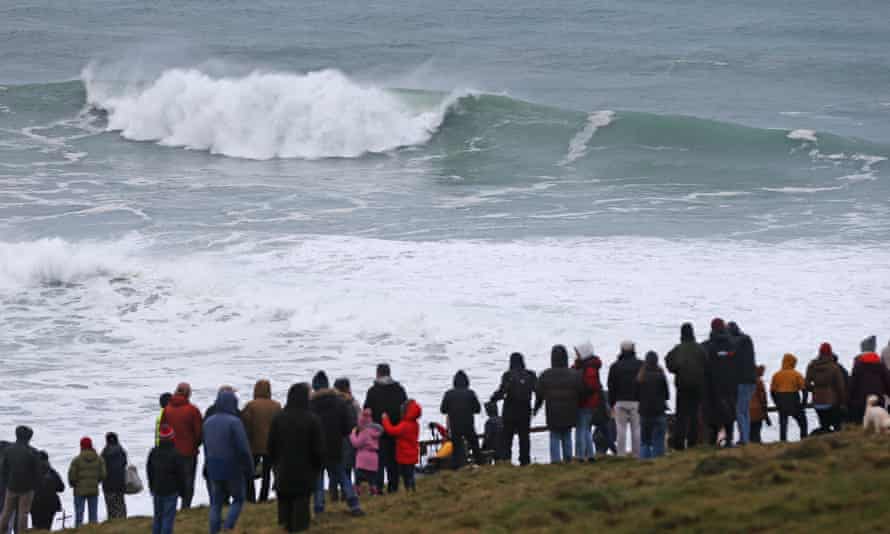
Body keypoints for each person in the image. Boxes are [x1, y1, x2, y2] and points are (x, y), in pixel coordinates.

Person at [268, 384, 324, 534]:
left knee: (284, 518)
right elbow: (318, 451)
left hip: (283, 473)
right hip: (304, 474)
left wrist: (277, 465)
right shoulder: (312, 420)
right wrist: (316, 468)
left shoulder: (278, 418)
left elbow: (270, 447)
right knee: (301, 518)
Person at [310, 372, 363, 517]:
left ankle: (319, 508)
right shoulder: (338, 401)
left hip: (316, 448)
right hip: (335, 445)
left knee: (318, 479)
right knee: (342, 475)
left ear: (314, 386)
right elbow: (349, 425)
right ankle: (354, 504)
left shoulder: (310, 404)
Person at [203, 389, 254, 534]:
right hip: (232, 466)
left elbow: (206, 446)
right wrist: (249, 468)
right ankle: (228, 527)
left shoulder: (208, 422)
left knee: (216, 503)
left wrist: (207, 465)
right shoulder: (235, 422)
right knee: (238, 499)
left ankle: (214, 530)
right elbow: (243, 449)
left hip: (213, 465)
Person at [535, 345, 588, 463]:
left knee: (554, 435)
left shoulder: (545, 375)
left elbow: (539, 393)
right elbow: (582, 391)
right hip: (570, 409)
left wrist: (535, 409)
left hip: (553, 410)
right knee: (567, 434)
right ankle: (568, 459)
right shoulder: (574, 374)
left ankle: (555, 461)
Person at [364, 364, 407, 493]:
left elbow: (367, 411)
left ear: (378, 374)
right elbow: (405, 410)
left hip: (378, 432)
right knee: (393, 461)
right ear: (389, 373)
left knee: (379, 462)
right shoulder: (399, 389)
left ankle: (378, 488)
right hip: (395, 430)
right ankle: (393, 487)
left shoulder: (372, 391)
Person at [490, 352, 537, 465]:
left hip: (509, 411)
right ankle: (525, 462)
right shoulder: (530, 375)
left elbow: (502, 392)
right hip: (525, 411)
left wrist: (493, 399)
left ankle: (506, 461)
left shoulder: (507, 375)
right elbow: (538, 392)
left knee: (507, 438)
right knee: (524, 438)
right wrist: (535, 408)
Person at [160, 383, 202, 509]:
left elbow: (162, 431)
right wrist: (195, 445)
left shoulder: (167, 410)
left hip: (171, 453)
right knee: (188, 481)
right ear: (188, 393)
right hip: (188, 452)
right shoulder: (192, 410)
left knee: (173, 482)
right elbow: (199, 433)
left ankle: (171, 507)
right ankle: (185, 507)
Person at [665, 322, 707, 450]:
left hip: (682, 386)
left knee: (681, 415)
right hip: (698, 386)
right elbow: (706, 363)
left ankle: (679, 444)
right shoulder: (699, 348)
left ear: (682, 334)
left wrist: (676, 370)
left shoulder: (678, 349)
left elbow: (669, 361)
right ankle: (693, 443)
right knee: (694, 415)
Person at [241, 379, 282, 503]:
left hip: (253, 445)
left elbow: (246, 425)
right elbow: (279, 425)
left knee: (249, 472)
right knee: (267, 473)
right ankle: (263, 497)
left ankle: (251, 497)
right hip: (271, 445)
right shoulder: (276, 405)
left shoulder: (250, 405)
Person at [702, 319, 738, 447]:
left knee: (712, 416)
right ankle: (729, 441)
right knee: (729, 414)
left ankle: (712, 442)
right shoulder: (733, 345)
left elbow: (703, 367)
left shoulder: (705, 346)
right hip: (730, 385)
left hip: (711, 386)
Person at [0, 426, 41, 534]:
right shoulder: (33, 452)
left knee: (6, 512)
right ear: (29, 437)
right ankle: (22, 533)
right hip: (27, 488)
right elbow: (37, 473)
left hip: (11, 486)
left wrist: (7, 483)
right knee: (23, 514)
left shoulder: (8, 450)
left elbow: (4, 470)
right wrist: (34, 486)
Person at [147, 424, 186, 534]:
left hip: (157, 489)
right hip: (171, 490)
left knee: (157, 518)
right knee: (167, 519)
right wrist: (182, 491)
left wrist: (151, 486)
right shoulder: (176, 454)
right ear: (172, 437)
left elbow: (149, 471)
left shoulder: (153, 452)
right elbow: (181, 475)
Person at [607, 341, 643, 457]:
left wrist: (611, 403)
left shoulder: (615, 366)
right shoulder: (641, 364)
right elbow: (644, 384)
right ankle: (637, 454)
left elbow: (611, 386)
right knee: (636, 429)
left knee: (621, 430)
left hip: (620, 401)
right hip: (637, 401)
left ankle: (621, 454)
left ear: (621, 350)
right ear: (633, 349)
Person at [440, 370, 482, 469]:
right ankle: (480, 463)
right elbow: (478, 409)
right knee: (474, 445)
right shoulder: (470, 393)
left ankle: (457, 467)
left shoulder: (448, 394)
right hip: (468, 424)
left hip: (455, 425)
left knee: (456, 448)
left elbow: (443, 410)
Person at [806, 343, 847, 433]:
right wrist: (843, 402)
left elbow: (806, 384)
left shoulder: (812, 365)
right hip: (831, 401)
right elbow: (840, 387)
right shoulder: (834, 367)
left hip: (817, 402)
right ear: (830, 352)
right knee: (837, 426)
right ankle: (836, 444)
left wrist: (815, 390)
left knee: (824, 426)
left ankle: (824, 443)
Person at [382, 400, 422, 492]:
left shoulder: (404, 425)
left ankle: (409, 490)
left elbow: (391, 430)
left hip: (404, 454)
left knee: (405, 475)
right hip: (413, 453)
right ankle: (412, 489)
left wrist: (385, 419)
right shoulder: (415, 424)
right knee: (410, 474)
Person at [728, 321, 757, 445]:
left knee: (740, 411)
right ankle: (745, 437)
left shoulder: (736, 343)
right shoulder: (747, 340)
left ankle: (744, 439)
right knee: (744, 410)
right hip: (751, 380)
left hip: (742, 381)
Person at [636, 351, 669, 459]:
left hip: (644, 412)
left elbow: (637, 395)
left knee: (645, 440)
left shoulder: (641, 377)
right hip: (659, 412)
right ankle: (657, 462)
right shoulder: (661, 376)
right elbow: (667, 395)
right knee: (658, 439)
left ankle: (644, 461)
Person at [573, 342, 603, 462]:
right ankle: (589, 454)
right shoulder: (589, 366)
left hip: (585, 403)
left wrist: (580, 396)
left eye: (578, 353)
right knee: (585, 429)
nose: (576, 355)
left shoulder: (588, 368)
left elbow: (590, 387)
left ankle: (582, 455)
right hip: (589, 402)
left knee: (582, 429)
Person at [68, 437, 106, 527]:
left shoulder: (76, 460)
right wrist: (96, 482)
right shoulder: (99, 459)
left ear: (81, 446)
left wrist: (74, 485)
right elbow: (103, 475)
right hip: (93, 489)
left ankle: (79, 530)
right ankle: (93, 530)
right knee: (93, 515)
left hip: (79, 490)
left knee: (79, 515)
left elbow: (71, 476)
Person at [333, 378, 360, 501]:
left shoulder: (334, 403)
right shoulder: (353, 402)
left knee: (338, 469)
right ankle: (350, 493)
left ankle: (339, 494)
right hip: (352, 437)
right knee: (350, 467)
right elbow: (360, 422)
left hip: (338, 438)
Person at [770, 353, 808, 441]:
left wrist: (776, 403)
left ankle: (783, 441)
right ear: (793, 363)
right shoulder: (796, 374)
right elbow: (804, 390)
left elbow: (772, 391)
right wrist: (803, 403)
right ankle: (804, 440)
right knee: (802, 423)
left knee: (783, 424)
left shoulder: (776, 375)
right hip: (794, 399)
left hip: (781, 400)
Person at [848, 347, 890, 424]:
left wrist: (849, 400)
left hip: (860, 402)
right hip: (878, 400)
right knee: (879, 422)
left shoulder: (858, 367)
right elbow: (888, 383)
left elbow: (852, 385)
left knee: (863, 423)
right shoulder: (881, 366)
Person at [350, 409, 383, 496]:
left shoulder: (364, 432)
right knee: (372, 478)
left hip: (363, 459)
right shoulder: (375, 431)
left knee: (358, 478)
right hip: (374, 458)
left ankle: (357, 492)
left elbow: (356, 443)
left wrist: (352, 434)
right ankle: (374, 491)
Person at [30, 451, 65, 531]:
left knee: (36, 528)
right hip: (51, 505)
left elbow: (25, 487)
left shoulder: (31, 472)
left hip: (35, 504)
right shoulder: (52, 472)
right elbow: (61, 488)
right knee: (47, 528)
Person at [100, 432, 128, 519]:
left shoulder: (104, 452)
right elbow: (124, 464)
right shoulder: (121, 451)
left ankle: (113, 522)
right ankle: (123, 521)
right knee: (121, 504)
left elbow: (102, 468)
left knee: (111, 506)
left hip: (108, 484)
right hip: (120, 482)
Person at [749, 366, 771, 443]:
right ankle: (757, 445)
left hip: (745, 411)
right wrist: (765, 409)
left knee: (749, 431)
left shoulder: (743, 381)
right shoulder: (758, 381)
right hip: (757, 410)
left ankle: (749, 447)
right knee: (756, 430)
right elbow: (762, 397)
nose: (763, 374)